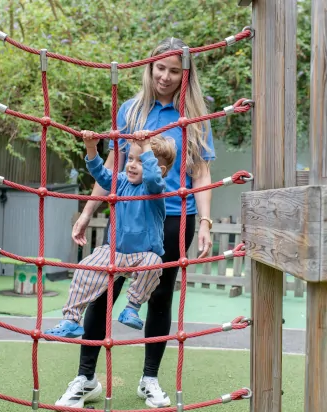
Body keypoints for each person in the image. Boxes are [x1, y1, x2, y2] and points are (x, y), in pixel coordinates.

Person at [56, 37, 216, 409]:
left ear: (185, 75)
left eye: (174, 70)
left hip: (175, 219)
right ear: (149, 67)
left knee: (159, 298)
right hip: (129, 215)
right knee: (101, 289)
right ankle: (86, 379)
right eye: (160, 68)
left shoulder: (194, 118)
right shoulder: (130, 111)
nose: (165, 76)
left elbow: (202, 173)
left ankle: (149, 380)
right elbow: (110, 169)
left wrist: (205, 221)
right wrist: (85, 212)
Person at [44, 132, 177, 337]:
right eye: (130, 159)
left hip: (142, 255)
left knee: (155, 263)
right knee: (84, 269)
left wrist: (146, 147)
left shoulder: (156, 189)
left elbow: (152, 177)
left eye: (140, 161)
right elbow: (101, 174)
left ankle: (131, 307)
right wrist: (91, 148)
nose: (132, 164)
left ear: (159, 170)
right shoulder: (122, 182)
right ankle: (71, 319)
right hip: (114, 251)